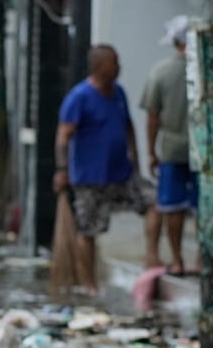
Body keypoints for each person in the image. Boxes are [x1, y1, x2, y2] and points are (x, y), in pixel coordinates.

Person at [53, 45, 153, 295]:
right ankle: (89, 285)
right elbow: (64, 136)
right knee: (88, 230)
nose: (119, 67)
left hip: (121, 173)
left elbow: (128, 126)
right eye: (114, 62)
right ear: (100, 67)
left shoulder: (118, 93)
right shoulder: (80, 97)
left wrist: (136, 160)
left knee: (155, 202)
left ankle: (152, 256)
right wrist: (62, 170)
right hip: (89, 178)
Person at [141, 16, 197, 276]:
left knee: (173, 207)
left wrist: (151, 151)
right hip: (204, 150)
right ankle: (203, 259)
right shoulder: (208, 68)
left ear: (175, 42)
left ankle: (177, 260)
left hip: (172, 149)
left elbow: (152, 118)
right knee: (202, 207)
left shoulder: (161, 72)